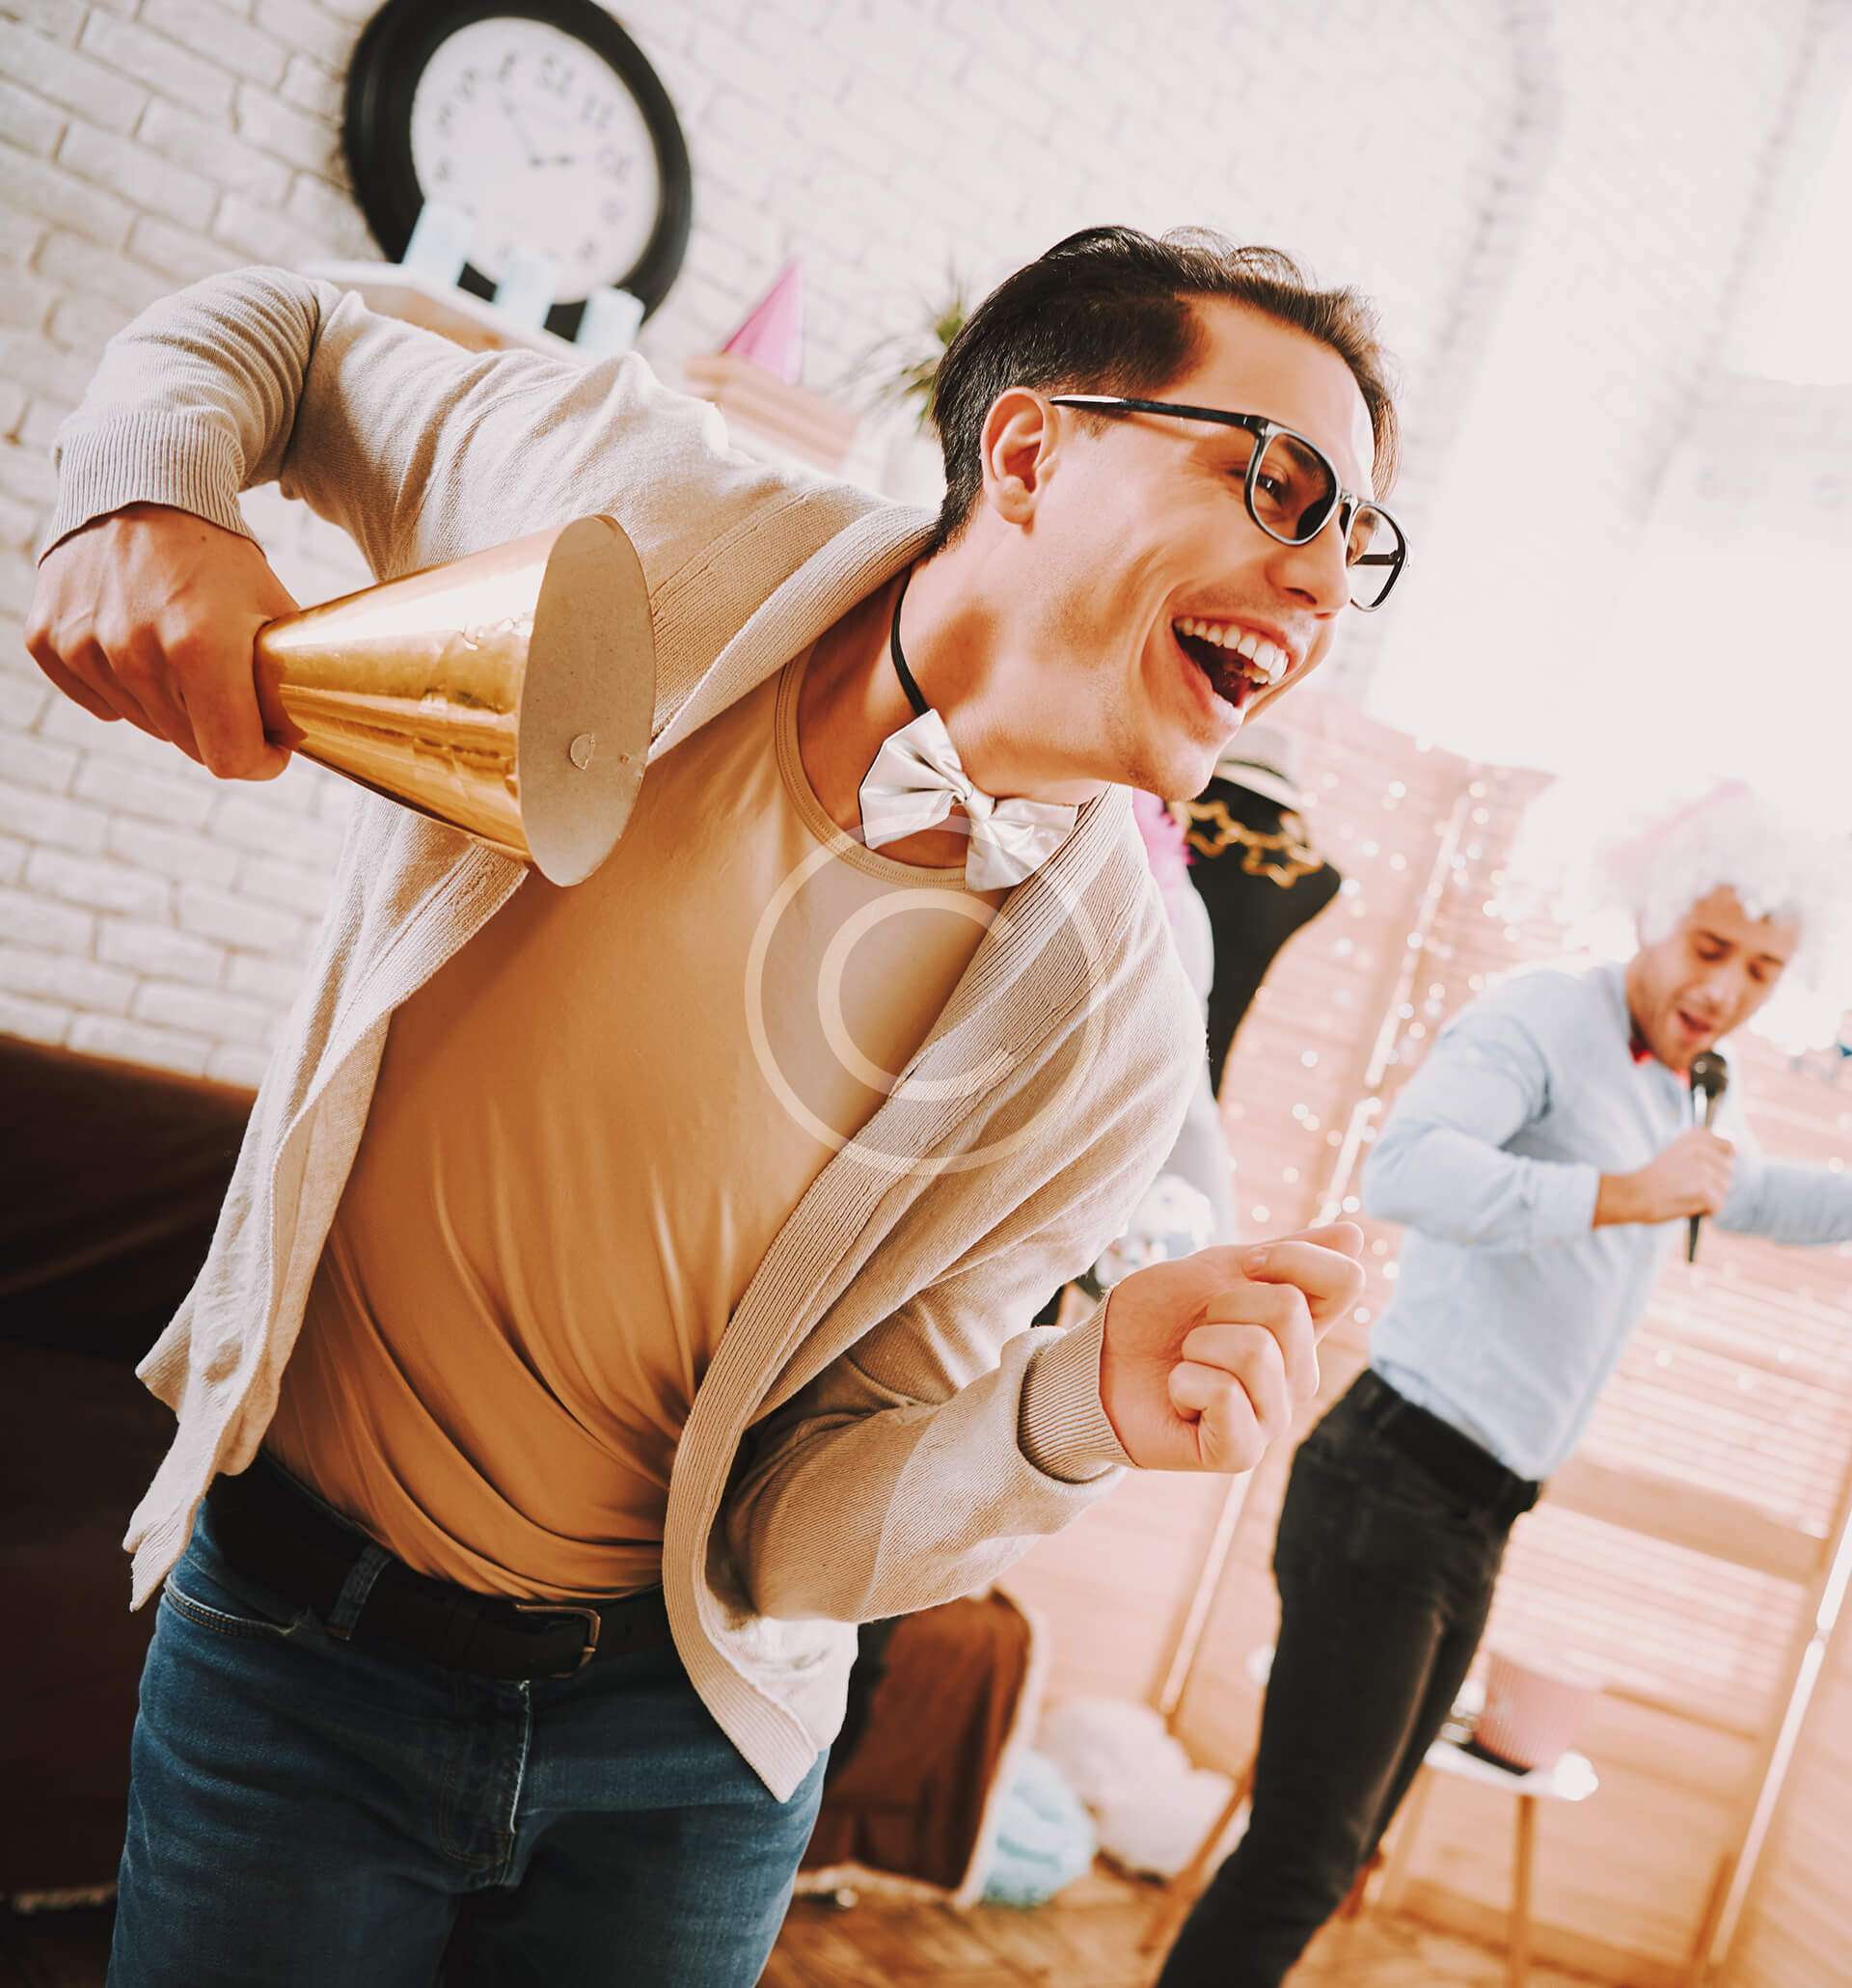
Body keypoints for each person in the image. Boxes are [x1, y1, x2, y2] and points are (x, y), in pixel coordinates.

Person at [27, 226, 1400, 1987]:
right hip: (288, 1651)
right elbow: (282, 331)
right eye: (1282, 485)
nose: (1322, 581)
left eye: (1359, 542)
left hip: (685, 1769)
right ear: (1030, 449)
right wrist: (145, 499)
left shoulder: (1114, 1035)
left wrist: (1070, 1410)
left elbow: (787, 1529)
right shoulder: (626, 501)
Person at [1155, 788, 1851, 1988]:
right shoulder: (1543, 1017)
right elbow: (1409, 1170)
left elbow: (1744, 1191)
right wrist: (1624, 1193)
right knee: (1303, 1861)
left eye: (1763, 969)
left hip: (1472, 1516)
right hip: (1389, 1487)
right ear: (1654, 911)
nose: (1727, 989)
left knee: (1340, 1851)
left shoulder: (1688, 1083)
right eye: (1710, 947)